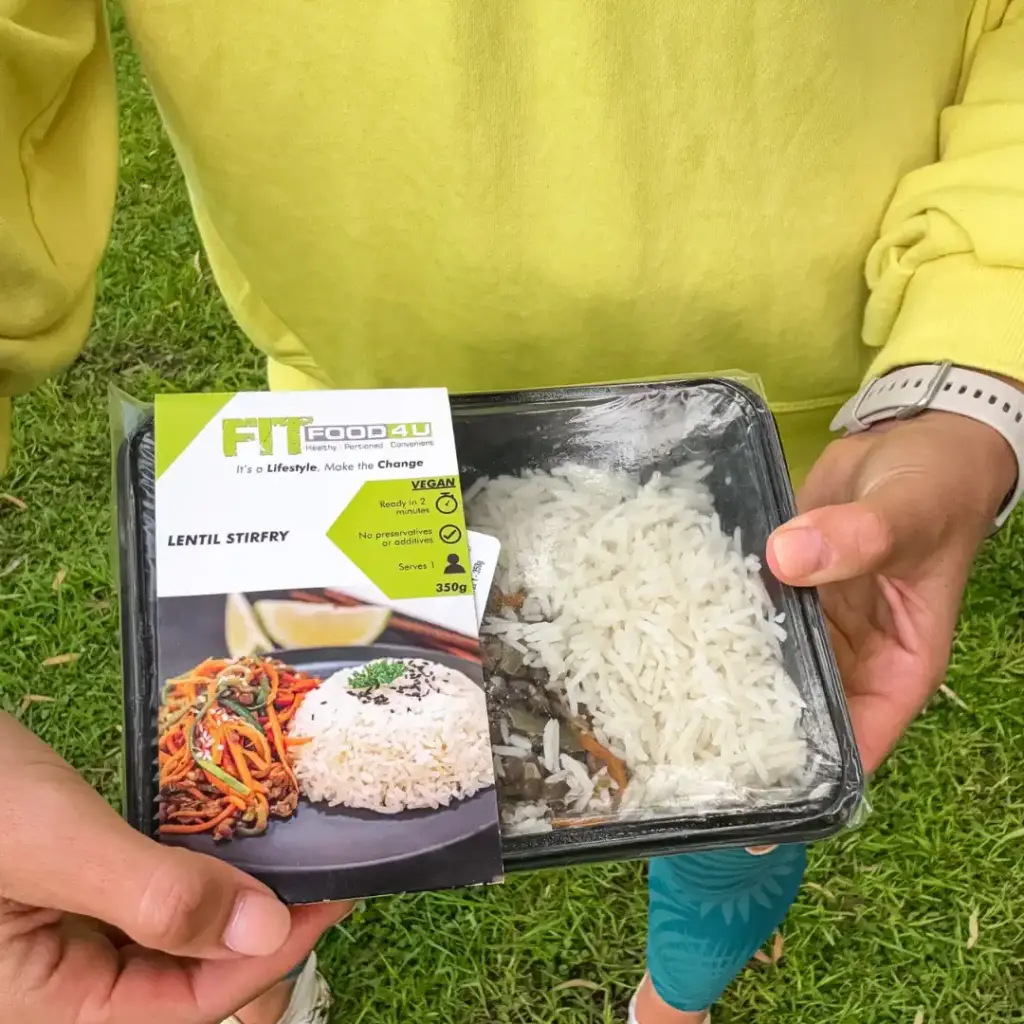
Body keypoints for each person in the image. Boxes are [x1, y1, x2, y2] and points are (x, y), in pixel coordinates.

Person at [2, 3, 1022, 1022]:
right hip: (350, 442)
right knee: (269, 839)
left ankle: (676, 999)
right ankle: (252, 979)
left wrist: (972, 371)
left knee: (740, 812)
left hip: (776, 473)